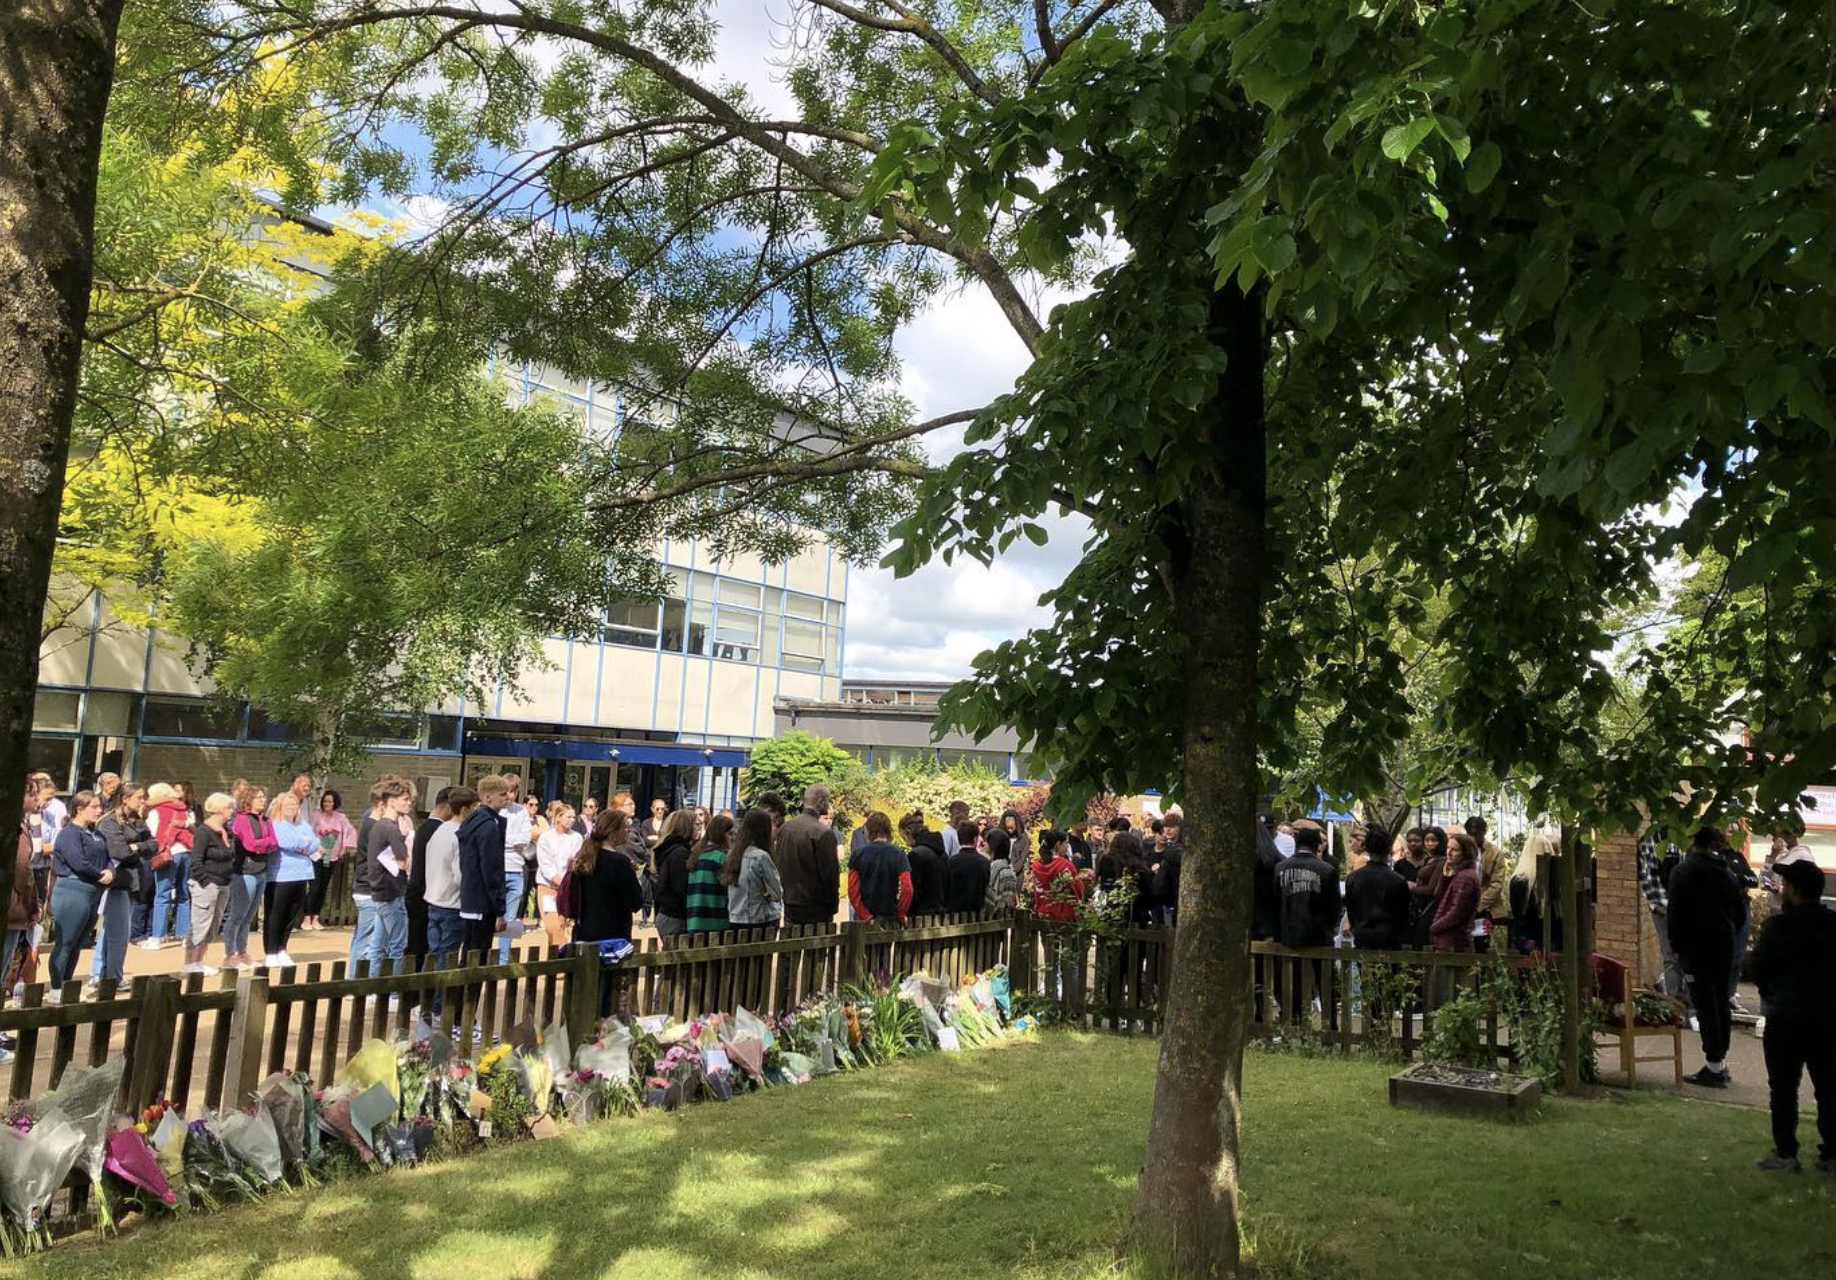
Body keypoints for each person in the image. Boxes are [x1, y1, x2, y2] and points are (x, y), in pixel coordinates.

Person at [1748, 859, 1836, 1173]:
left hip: (1785, 1017)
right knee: (1827, 1086)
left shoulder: (1778, 927)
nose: (1782, 889)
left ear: (1795, 890)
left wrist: (1771, 993)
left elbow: (1759, 969)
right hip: (1826, 1017)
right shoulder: (1832, 924)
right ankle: (1831, 1154)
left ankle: (1786, 1152)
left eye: (1786, 885)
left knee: (1784, 1087)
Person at [1669, 826, 1749, 1088]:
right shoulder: (1726, 872)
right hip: (1722, 945)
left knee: (1704, 1004)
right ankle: (1719, 1060)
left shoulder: (1683, 872)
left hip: (1695, 948)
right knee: (1720, 1001)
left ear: (1693, 842)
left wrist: (1677, 946)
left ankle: (1714, 1065)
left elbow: (1675, 913)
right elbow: (1739, 912)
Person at [566, 809, 645, 1015]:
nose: (628, 831)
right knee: (610, 994)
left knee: (587, 991)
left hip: (585, 932)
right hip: (614, 937)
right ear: (613, 832)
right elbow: (636, 901)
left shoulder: (583, 859)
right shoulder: (619, 863)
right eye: (625, 828)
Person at [94, 784, 156, 987]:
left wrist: (136, 846)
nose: (143, 801)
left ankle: (107, 975)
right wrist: (138, 849)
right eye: (139, 797)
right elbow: (119, 852)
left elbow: (154, 845)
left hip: (134, 882)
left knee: (116, 931)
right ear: (125, 798)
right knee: (117, 933)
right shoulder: (109, 822)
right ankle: (111, 977)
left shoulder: (136, 820)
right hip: (117, 883)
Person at [48, 791, 109, 994]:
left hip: (93, 891)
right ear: (79, 809)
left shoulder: (96, 833)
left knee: (77, 943)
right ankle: (57, 989)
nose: (99, 810)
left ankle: (66, 987)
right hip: (72, 890)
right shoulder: (69, 833)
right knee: (65, 942)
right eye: (94, 806)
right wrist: (101, 874)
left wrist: (111, 871)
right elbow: (78, 861)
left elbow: (108, 857)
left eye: (100, 806)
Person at [219, 787, 275, 972]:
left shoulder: (266, 820)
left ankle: (242, 951)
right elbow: (250, 845)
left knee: (249, 916)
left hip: (262, 870)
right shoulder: (242, 820)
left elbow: (274, 842)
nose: (263, 800)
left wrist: (263, 845)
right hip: (244, 872)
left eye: (264, 797)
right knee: (237, 914)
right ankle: (230, 954)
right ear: (249, 799)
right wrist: (263, 844)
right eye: (259, 797)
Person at [180, 793, 236, 976]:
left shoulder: (225, 830)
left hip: (224, 883)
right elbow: (196, 860)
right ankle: (190, 962)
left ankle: (200, 960)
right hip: (207, 884)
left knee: (213, 925)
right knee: (200, 923)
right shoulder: (204, 832)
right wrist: (206, 881)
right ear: (219, 809)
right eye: (228, 807)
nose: (231, 811)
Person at [364, 778, 414, 973]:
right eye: (405, 799)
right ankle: (393, 995)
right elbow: (404, 862)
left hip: (380, 890)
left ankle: (373, 988)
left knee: (378, 944)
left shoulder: (379, 826)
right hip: (392, 891)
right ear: (391, 801)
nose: (409, 803)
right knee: (397, 945)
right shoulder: (391, 828)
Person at [457, 775, 510, 956]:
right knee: (478, 956)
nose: (508, 797)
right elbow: (491, 868)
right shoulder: (488, 826)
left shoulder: (472, 821)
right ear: (488, 797)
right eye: (502, 794)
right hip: (482, 902)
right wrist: (499, 908)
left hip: (470, 898)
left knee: (469, 952)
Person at [777, 785, 841, 926]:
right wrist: (833, 904)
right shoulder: (823, 833)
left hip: (790, 903)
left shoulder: (786, 829)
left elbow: (779, 862)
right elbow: (830, 874)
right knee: (815, 947)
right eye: (827, 800)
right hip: (817, 907)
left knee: (791, 946)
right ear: (820, 802)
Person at [5, 780, 44, 1004]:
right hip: (12, 909)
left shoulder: (24, 825)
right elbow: (22, 872)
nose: (36, 799)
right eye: (32, 795)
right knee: (3, 969)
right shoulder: (16, 829)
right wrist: (29, 906)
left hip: (15, 908)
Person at [1344, 824, 1410, 950]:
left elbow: (1351, 909)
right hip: (1389, 939)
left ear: (1367, 847)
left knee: (1364, 969)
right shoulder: (1398, 881)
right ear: (1388, 848)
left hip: (1362, 936)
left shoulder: (1353, 878)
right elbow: (1403, 915)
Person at [1718, 829, 1762, 1014]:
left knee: (1737, 956)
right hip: (1723, 911)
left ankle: (1730, 995)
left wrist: (1738, 877)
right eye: (1728, 827)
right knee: (1722, 956)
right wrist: (1738, 878)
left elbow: (1753, 880)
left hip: (1742, 909)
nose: (1733, 831)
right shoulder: (1716, 858)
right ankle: (1719, 996)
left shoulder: (1737, 856)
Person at [419, 789, 465, 960]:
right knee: (447, 956)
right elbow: (460, 874)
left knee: (433, 953)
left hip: (433, 900)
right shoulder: (458, 834)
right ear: (464, 809)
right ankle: (440, 988)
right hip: (451, 904)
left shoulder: (439, 830)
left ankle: (428, 987)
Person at [845, 811, 911, 925]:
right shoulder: (899, 854)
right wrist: (900, 914)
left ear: (868, 831)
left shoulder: (858, 854)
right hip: (889, 918)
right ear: (888, 831)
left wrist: (867, 917)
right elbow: (907, 888)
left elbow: (853, 891)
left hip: (864, 919)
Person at [407, 790, 450, 961]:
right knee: (419, 943)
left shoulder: (425, 826)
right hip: (425, 892)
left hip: (418, 889)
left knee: (416, 941)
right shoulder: (437, 829)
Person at [534, 801, 582, 948]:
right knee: (552, 926)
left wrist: (567, 884)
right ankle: (565, 956)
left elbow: (576, 861)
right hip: (547, 886)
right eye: (568, 817)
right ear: (558, 817)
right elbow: (545, 864)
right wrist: (557, 880)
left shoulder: (576, 838)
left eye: (574, 817)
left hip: (566, 888)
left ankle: (555, 964)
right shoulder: (546, 837)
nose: (572, 820)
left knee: (560, 926)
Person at [726, 808, 785, 929]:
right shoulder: (761, 857)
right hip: (760, 918)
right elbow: (777, 893)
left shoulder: (732, 855)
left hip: (736, 917)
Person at [1429, 832, 1481, 953]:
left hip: (1454, 940)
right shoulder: (1458, 873)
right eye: (1448, 848)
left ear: (1465, 853)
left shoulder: (1465, 876)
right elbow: (1439, 897)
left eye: (1455, 850)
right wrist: (1445, 875)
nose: (1449, 852)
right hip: (1448, 939)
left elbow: (1456, 912)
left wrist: (1434, 928)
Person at [649, 809, 697, 940]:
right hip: (675, 916)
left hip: (667, 913)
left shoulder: (668, 848)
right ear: (687, 827)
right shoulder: (680, 853)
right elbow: (680, 887)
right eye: (695, 824)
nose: (698, 828)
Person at [1465, 816, 1511, 952]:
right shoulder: (1461, 850)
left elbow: (1496, 884)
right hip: (1463, 904)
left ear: (1484, 833)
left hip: (1485, 908)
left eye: (1477, 835)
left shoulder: (1495, 853)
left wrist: (1479, 906)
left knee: (1482, 945)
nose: (1473, 838)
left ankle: (1482, 971)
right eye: (1470, 835)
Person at [499, 784, 533, 959]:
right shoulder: (493, 810)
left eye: (513, 792)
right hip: (496, 869)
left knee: (510, 920)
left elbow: (525, 840)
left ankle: (503, 960)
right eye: (506, 792)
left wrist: (505, 840)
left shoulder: (521, 811)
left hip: (516, 869)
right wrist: (512, 842)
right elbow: (493, 839)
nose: (510, 796)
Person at [686, 813, 732, 933]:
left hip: (694, 919)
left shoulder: (696, 854)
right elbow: (728, 888)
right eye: (730, 833)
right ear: (723, 834)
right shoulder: (721, 856)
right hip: (715, 920)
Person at [900, 812, 948, 920]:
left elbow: (913, 890)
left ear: (908, 832)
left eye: (904, 838)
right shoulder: (941, 852)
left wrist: (906, 913)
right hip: (940, 913)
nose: (906, 843)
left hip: (921, 916)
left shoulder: (915, 855)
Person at [1028, 830, 1084, 922]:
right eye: (1066, 843)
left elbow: (1031, 889)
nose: (1068, 846)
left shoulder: (1036, 865)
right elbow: (1077, 889)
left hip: (1042, 912)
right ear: (1058, 844)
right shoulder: (1065, 865)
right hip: (1063, 914)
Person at [1409, 825, 1448, 946]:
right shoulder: (1428, 860)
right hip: (1421, 905)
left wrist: (1412, 887)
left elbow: (1430, 889)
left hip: (1431, 909)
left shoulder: (1441, 861)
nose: (1430, 843)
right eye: (1427, 840)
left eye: (1434, 840)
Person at [944, 820, 991, 914]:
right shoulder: (984, 862)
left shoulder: (951, 862)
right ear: (975, 839)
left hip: (955, 914)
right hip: (978, 914)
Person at [1153, 812, 1184, 926]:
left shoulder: (1172, 851)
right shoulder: (1170, 848)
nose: (1167, 829)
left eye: (1172, 826)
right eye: (1166, 826)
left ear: (1180, 828)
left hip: (1176, 898)